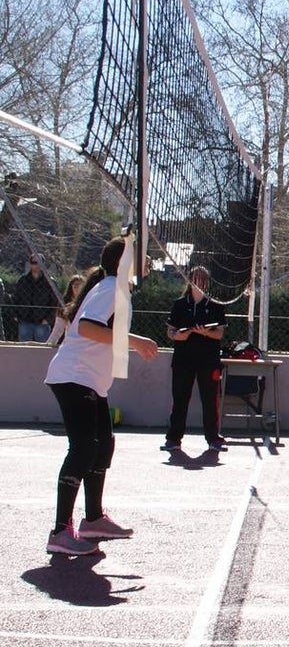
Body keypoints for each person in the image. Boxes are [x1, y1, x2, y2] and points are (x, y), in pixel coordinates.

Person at [43, 237, 159, 555]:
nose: (146, 260)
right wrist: (134, 340)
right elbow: (87, 329)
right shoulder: (111, 289)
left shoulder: (115, 290)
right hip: (73, 377)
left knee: (103, 445)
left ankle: (93, 520)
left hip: (90, 381)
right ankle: (60, 532)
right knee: (82, 450)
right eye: (140, 256)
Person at [162, 266, 228, 452]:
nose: (199, 282)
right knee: (180, 398)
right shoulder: (180, 304)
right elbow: (170, 331)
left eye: (203, 279)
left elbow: (219, 333)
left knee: (210, 399)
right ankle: (173, 438)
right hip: (184, 359)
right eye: (196, 279)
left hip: (208, 359)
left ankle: (213, 438)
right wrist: (178, 336)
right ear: (189, 280)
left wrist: (207, 332)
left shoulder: (215, 304)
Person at [12, 255, 57, 342]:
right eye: (34, 263)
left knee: (42, 351)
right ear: (30, 264)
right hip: (24, 320)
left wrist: (48, 319)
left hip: (42, 322)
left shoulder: (50, 282)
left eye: (40, 262)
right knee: (23, 350)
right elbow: (16, 298)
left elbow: (55, 302)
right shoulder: (23, 280)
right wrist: (16, 315)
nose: (37, 265)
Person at [44, 274, 84, 346]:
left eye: (80, 285)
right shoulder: (64, 304)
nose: (77, 287)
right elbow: (58, 330)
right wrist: (48, 345)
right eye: (75, 284)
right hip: (70, 343)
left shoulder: (89, 302)